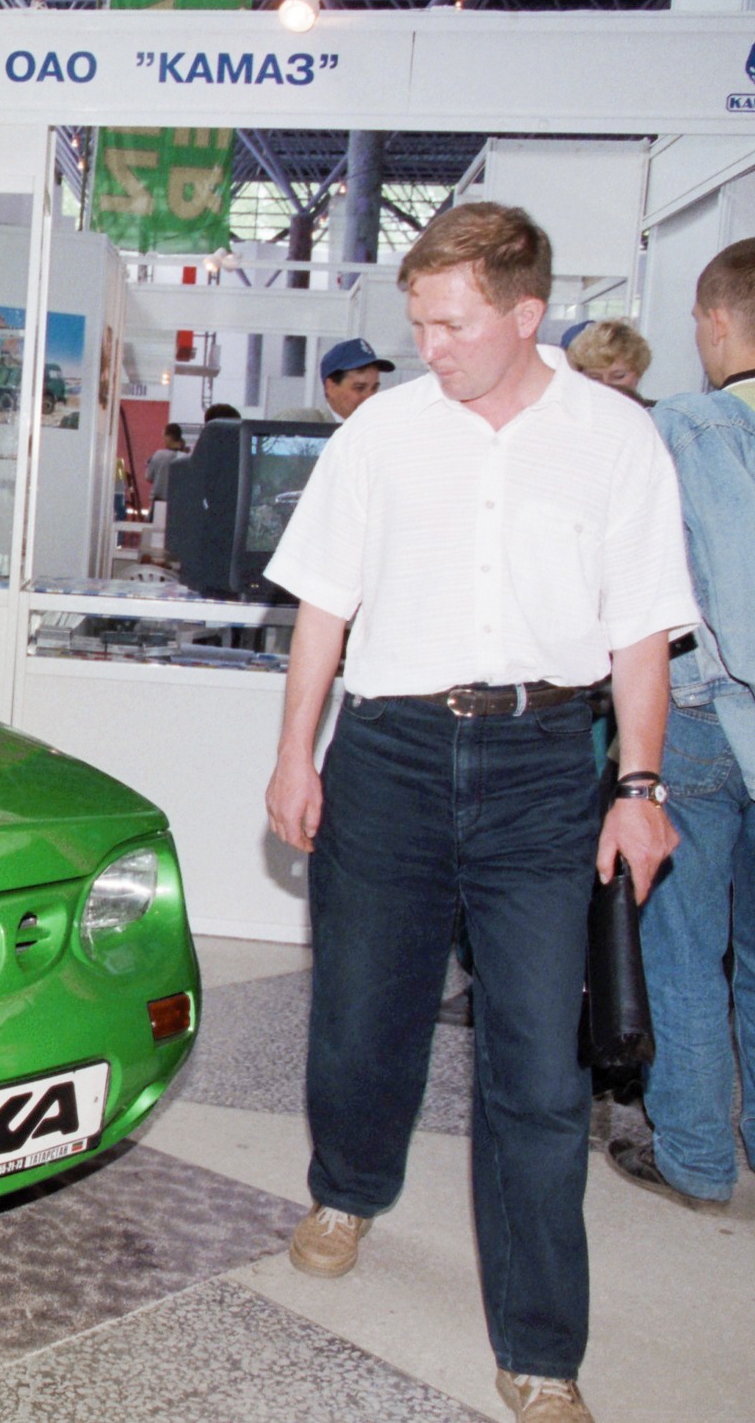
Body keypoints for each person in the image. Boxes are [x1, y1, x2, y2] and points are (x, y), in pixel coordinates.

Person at [262, 203, 697, 1423]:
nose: (428, 347)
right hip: (390, 756)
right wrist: (295, 755)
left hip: (543, 767)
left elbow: (639, 634)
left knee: (539, 1072)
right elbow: (322, 606)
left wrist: (639, 788)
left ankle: (541, 1350)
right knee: (362, 1019)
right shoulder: (384, 434)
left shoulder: (615, 440)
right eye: (418, 323)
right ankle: (347, 1187)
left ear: (525, 313)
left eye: (450, 324)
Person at [607, 239, 755, 1210]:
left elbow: (724, 592)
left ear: (715, 320)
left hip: (704, 715)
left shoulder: (690, 426)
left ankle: (697, 1156)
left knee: (683, 943)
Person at [280, 338, 394, 424]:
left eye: (374, 388)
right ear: (330, 387)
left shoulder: (380, 430)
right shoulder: (300, 422)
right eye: (359, 388)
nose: (370, 398)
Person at [566, 318, 654, 406]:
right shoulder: (565, 411)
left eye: (618, 376)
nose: (606, 384)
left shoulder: (657, 413)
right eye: (595, 378)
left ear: (639, 373)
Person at [145, 422, 186, 505]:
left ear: (169, 437)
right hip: (178, 503)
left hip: (158, 502)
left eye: (164, 436)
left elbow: (148, 477)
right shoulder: (186, 458)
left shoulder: (159, 455)